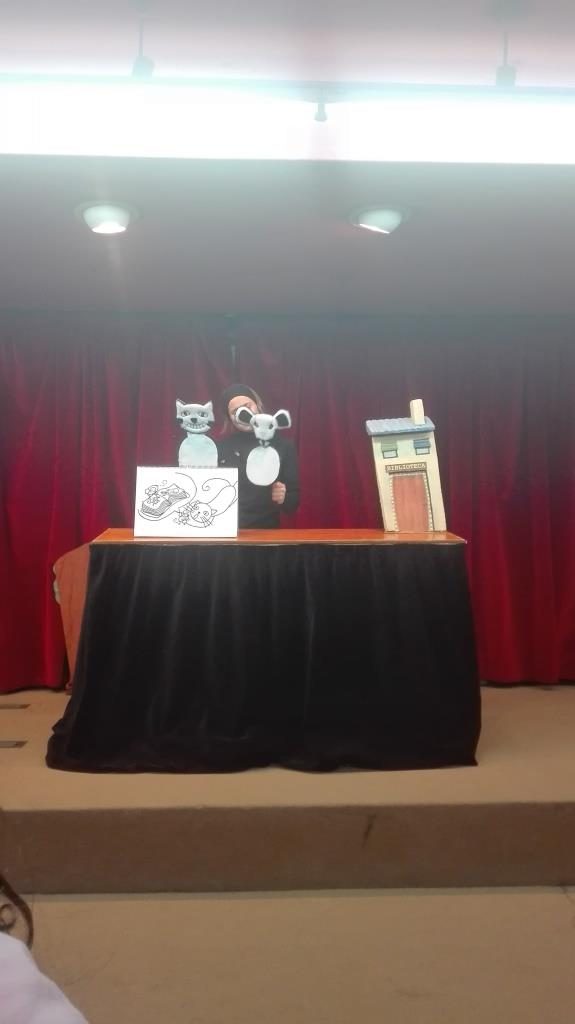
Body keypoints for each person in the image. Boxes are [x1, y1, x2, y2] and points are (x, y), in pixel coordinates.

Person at [217, 384, 300, 528]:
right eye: (235, 411)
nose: (243, 413)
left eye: (247, 406)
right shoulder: (220, 448)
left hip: (266, 532)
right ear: (229, 418)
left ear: (258, 405)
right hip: (227, 531)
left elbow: (293, 504)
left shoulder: (283, 446)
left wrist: (283, 497)